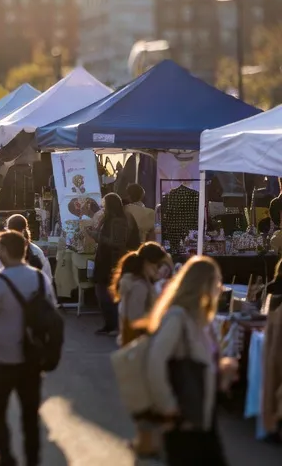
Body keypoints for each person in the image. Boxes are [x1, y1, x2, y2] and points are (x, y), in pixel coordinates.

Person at [0, 230, 57, 466]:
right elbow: (52, 312)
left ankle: (6, 456)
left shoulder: (0, 280)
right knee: (31, 415)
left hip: (4, 359)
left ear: (5, 252)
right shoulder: (41, 279)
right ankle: (33, 460)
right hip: (32, 359)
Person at [146, 256, 232, 465]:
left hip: (203, 416)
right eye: (216, 282)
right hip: (183, 418)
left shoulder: (203, 320)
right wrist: (168, 406)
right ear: (202, 284)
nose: (220, 288)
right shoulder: (177, 318)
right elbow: (154, 362)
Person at [111, 241, 172, 457]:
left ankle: (146, 442)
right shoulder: (138, 285)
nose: (158, 271)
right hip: (139, 345)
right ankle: (147, 443)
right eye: (156, 266)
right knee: (145, 399)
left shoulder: (137, 281)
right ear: (147, 263)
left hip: (135, 344)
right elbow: (134, 319)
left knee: (143, 398)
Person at [94, 192, 136, 336]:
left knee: (108, 293)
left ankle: (113, 325)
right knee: (102, 292)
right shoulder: (109, 219)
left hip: (111, 261)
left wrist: (98, 237)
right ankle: (109, 324)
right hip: (105, 259)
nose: (103, 206)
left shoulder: (118, 221)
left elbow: (116, 243)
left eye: (105, 204)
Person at [0, 214, 53, 288]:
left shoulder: (1, 255)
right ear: (25, 230)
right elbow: (47, 279)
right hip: (33, 296)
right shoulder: (37, 252)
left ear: (8, 231)